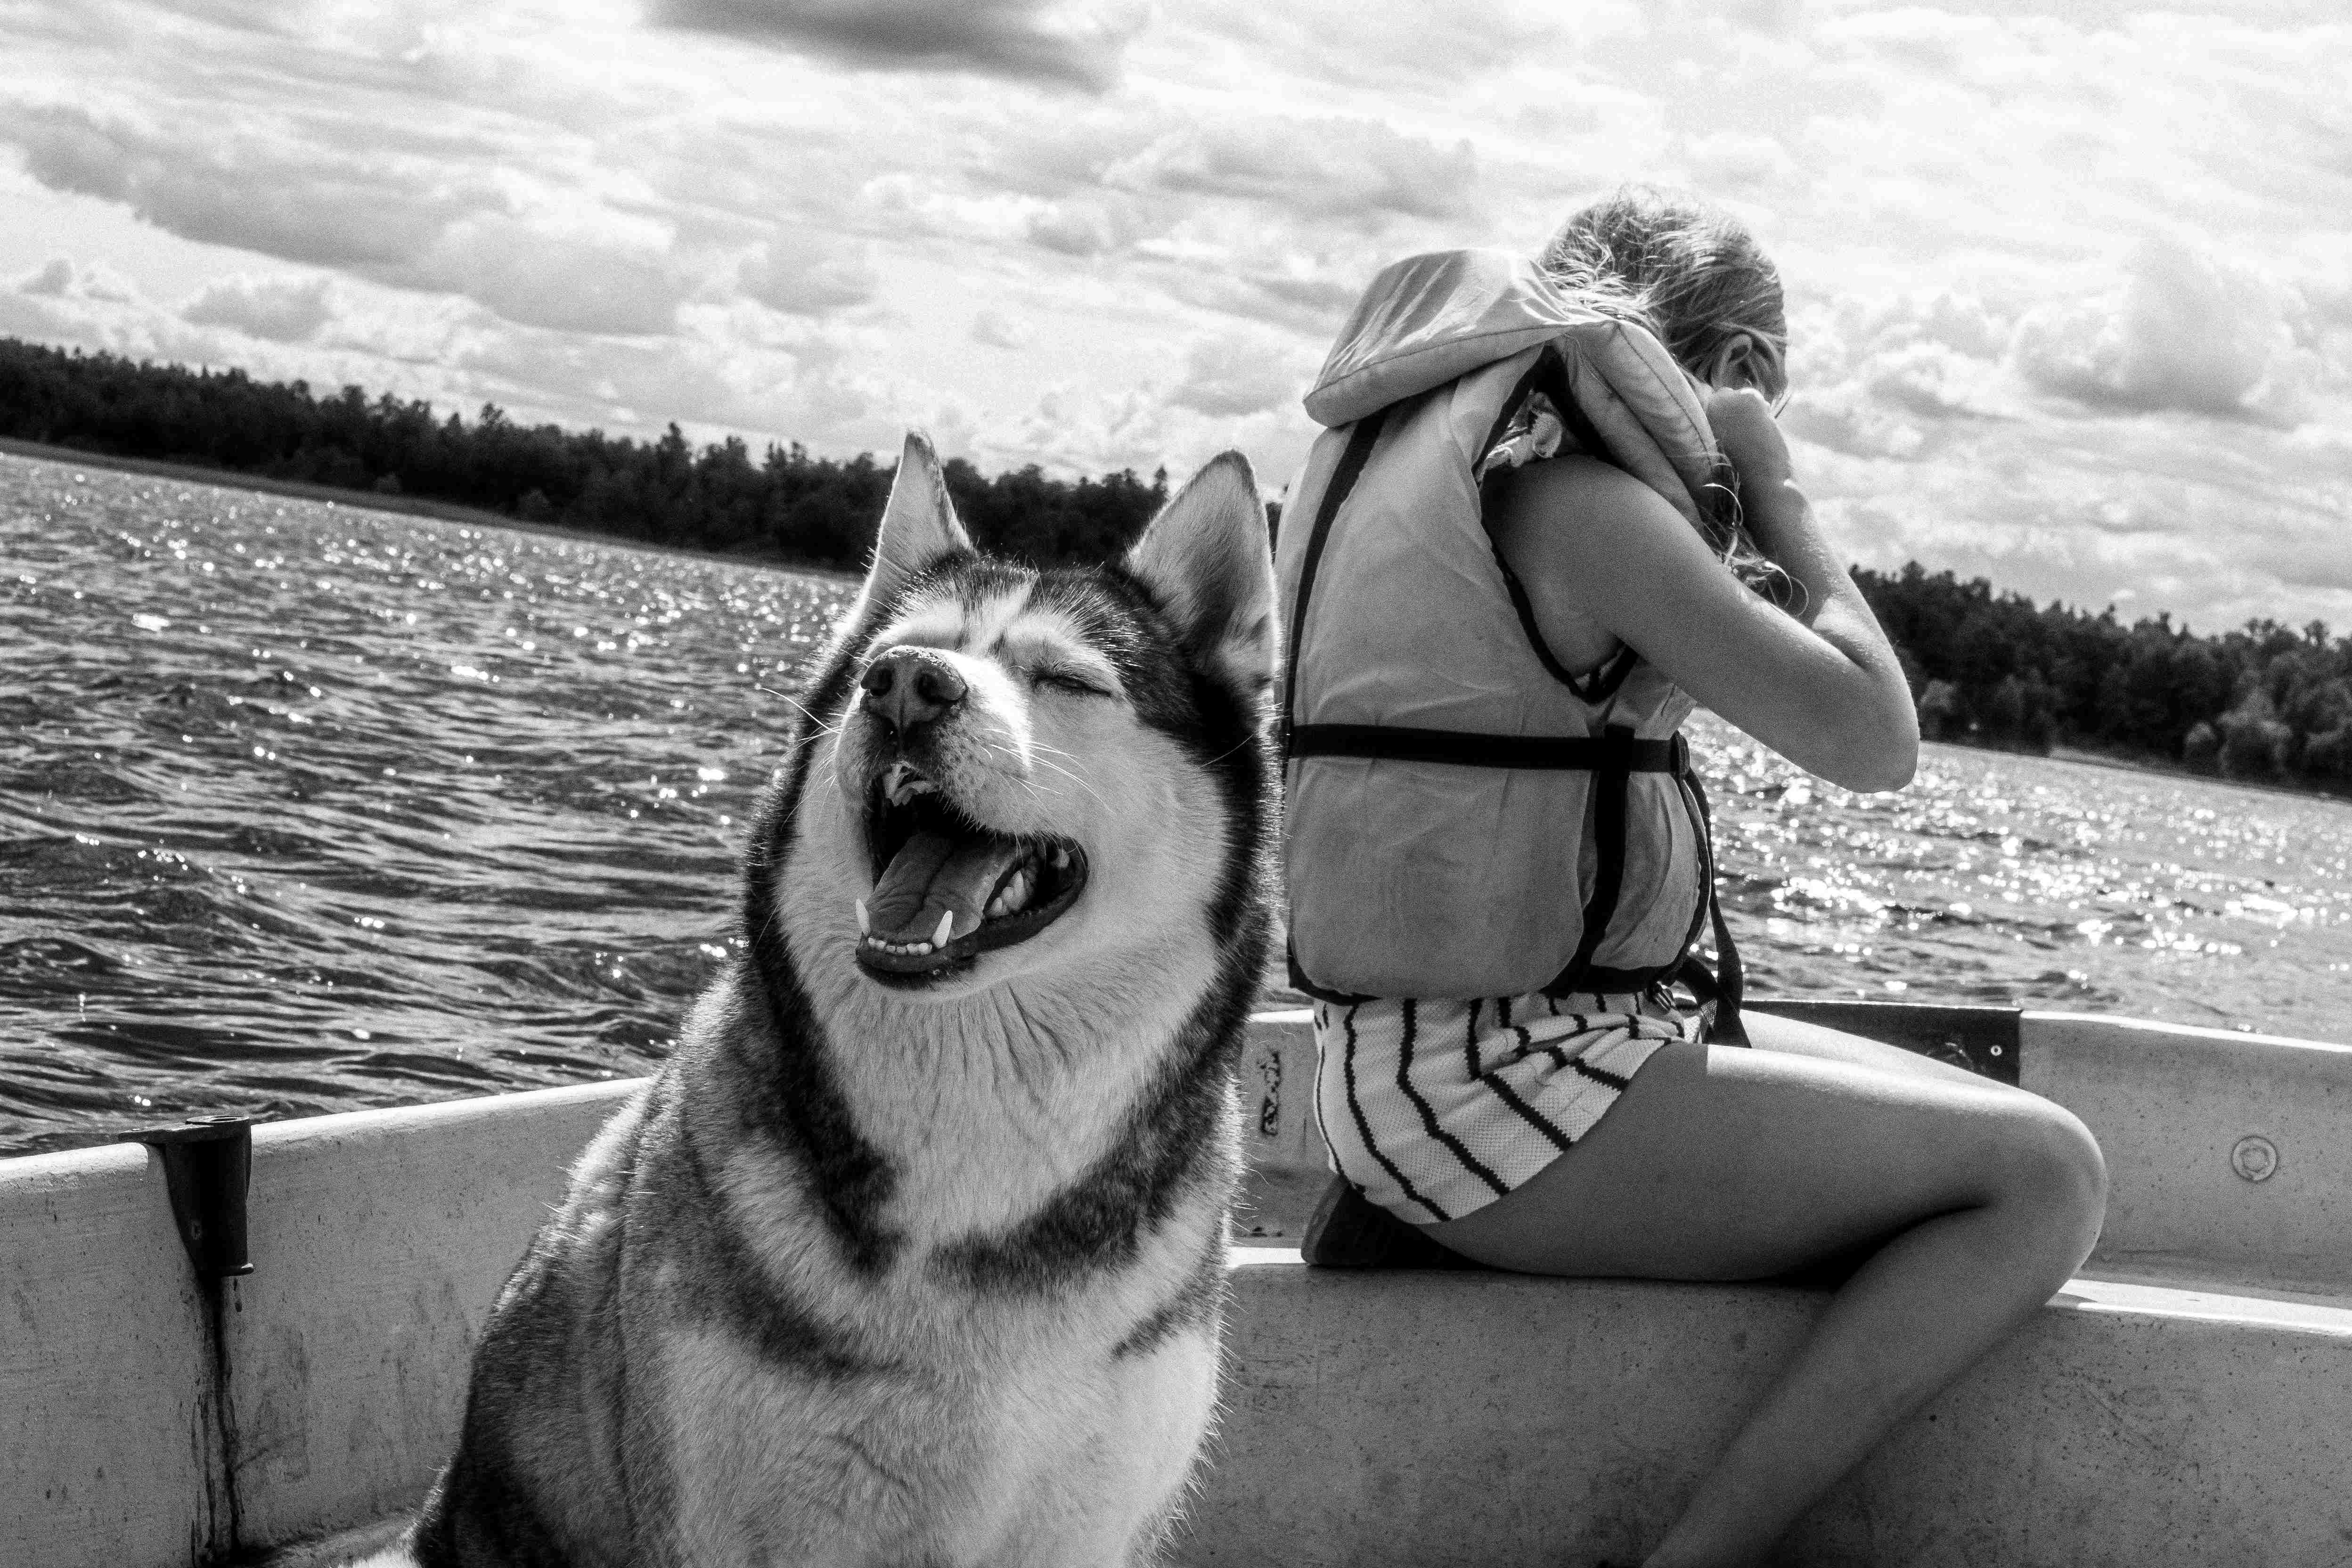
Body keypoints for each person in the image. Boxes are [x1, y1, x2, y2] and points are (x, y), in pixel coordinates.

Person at [1282, 187, 2109, 1568]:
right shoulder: (1580, 503)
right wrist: (1777, 494)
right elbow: (1873, 740)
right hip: (1487, 1090)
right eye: (1771, 386)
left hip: (1466, 1055)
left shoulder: (1470, 458)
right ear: (1733, 376)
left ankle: (1454, 1222)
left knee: (1999, 1127)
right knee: (2046, 1182)